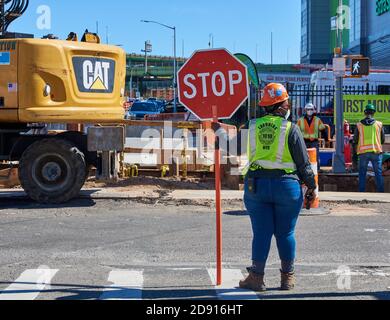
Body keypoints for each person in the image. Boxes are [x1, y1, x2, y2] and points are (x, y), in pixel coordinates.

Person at [239, 83, 317, 292]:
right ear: (280, 106)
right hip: (286, 187)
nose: (288, 105)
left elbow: (238, 148)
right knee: (285, 233)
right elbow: (303, 163)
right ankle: (287, 279)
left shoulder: (251, 125)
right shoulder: (291, 128)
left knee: (262, 233)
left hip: (257, 186)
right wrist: (311, 186)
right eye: (286, 102)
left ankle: (256, 277)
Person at [353, 104, 385, 193]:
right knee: (378, 173)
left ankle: (361, 192)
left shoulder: (359, 125)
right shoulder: (379, 124)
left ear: (365, 113)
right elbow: (382, 140)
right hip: (376, 152)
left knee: (362, 174)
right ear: (373, 113)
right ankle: (381, 192)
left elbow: (355, 139)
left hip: (363, 153)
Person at [297, 103, 328, 169]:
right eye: (308, 109)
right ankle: (305, 170)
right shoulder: (300, 120)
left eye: (311, 109)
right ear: (305, 110)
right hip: (304, 141)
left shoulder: (317, 120)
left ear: (313, 110)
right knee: (304, 157)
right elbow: (296, 131)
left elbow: (323, 130)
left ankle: (317, 170)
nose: (309, 111)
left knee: (315, 156)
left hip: (314, 142)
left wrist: (327, 139)